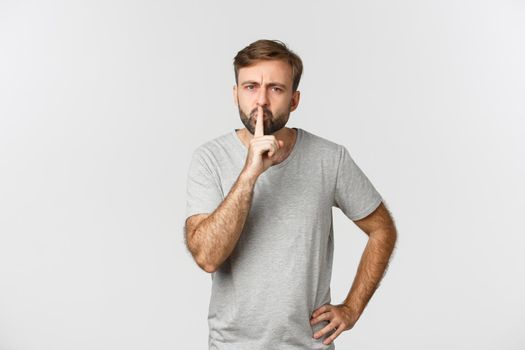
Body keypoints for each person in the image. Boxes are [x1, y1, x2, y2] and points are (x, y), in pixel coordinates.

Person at [184, 39, 397, 350]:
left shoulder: (330, 158)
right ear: (235, 95)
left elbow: (382, 230)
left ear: (294, 100)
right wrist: (250, 174)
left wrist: (351, 309)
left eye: (276, 89)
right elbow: (207, 258)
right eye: (250, 87)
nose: (261, 101)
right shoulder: (209, 158)